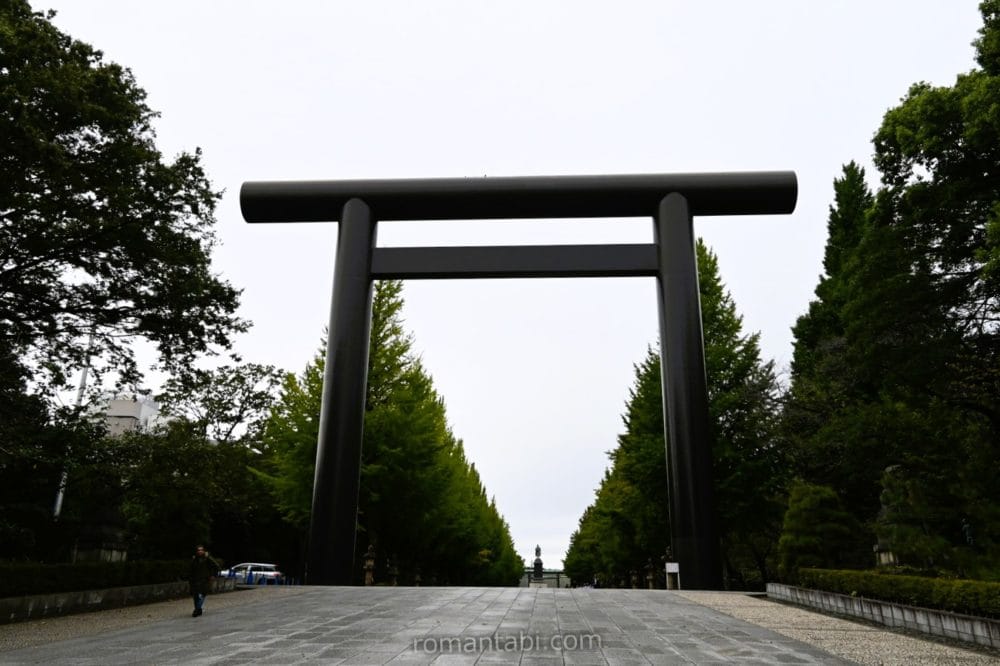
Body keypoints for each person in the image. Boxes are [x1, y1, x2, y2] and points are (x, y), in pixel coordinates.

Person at [189, 545, 220, 617]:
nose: (200, 551)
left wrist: (213, 575)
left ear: (204, 551)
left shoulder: (207, 559)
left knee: (202, 595)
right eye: (198, 550)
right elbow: (191, 570)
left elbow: (216, 566)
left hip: (205, 580)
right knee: (195, 596)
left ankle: (197, 609)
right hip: (195, 580)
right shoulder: (194, 559)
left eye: (201, 550)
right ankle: (198, 609)